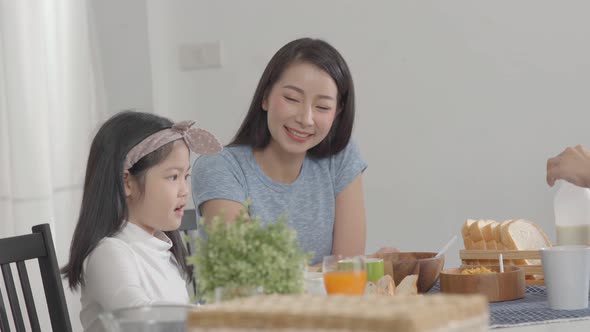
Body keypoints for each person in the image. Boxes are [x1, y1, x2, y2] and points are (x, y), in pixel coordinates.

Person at [192, 38, 367, 264]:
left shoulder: (341, 156)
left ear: (338, 113)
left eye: (322, 107)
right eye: (291, 98)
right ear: (265, 97)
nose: (305, 119)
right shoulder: (219, 166)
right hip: (243, 300)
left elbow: (347, 270)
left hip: (324, 301)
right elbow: (251, 272)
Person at [61, 111, 221, 332]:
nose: (185, 190)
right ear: (127, 182)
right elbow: (142, 321)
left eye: (186, 177)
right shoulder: (110, 253)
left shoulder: (162, 249)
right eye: (172, 177)